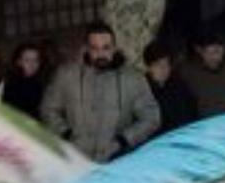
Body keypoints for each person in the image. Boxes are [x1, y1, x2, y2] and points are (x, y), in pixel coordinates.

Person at [42, 22, 160, 162]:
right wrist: (66, 134)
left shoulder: (132, 79)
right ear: (86, 49)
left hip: (117, 160)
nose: (101, 54)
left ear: (114, 48)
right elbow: (48, 109)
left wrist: (123, 140)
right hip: (77, 161)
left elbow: (151, 117)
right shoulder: (67, 76)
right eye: (94, 48)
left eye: (106, 48)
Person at [144, 37, 199, 136]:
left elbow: (192, 112)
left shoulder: (180, 86)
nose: (164, 70)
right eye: (158, 65)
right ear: (148, 67)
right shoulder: (141, 91)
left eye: (167, 65)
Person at [1, 43, 48, 120]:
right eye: (27, 60)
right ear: (19, 62)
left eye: (35, 60)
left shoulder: (44, 84)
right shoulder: (11, 85)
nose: (31, 64)